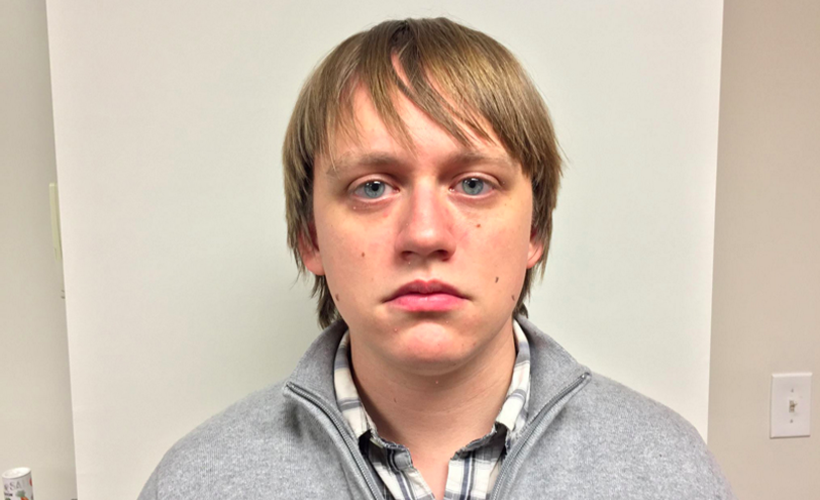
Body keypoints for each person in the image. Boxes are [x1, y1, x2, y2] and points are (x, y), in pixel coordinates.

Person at [138, 17, 735, 500]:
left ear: (535, 230)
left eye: (473, 184)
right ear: (310, 237)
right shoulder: (192, 485)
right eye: (373, 187)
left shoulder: (672, 474)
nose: (425, 234)